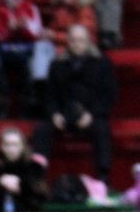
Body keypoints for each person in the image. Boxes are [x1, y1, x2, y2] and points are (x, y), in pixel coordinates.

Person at [32, 23, 116, 184]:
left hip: (90, 114)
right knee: (42, 130)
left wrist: (92, 114)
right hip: (63, 114)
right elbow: (49, 95)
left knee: (102, 130)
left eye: (81, 40)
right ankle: (37, 177)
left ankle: (103, 178)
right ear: (68, 42)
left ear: (88, 42)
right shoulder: (57, 64)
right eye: (73, 40)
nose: (77, 44)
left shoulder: (102, 63)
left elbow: (109, 95)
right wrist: (54, 114)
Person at [0, 126, 48, 212]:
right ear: (1, 146)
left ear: (22, 146)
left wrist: (20, 185)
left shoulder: (34, 168)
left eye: (15, 144)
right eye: (7, 144)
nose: (11, 149)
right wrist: (0, 183)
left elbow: (40, 198)